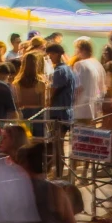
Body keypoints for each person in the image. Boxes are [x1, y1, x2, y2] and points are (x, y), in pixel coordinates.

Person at [44, 42, 72, 177]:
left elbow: (53, 90)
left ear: (56, 54)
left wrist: (47, 102)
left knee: (57, 145)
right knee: (58, 144)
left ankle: (59, 173)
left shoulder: (60, 71)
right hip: (65, 111)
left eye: (50, 54)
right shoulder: (67, 69)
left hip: (59, 112)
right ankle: (58, 172)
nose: (49, 57)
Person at [70, 39, 105, 126]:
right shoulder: (98, 64)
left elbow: (78, 88)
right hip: (94, 108)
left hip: (80, 107)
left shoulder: (80, 65)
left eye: (76, 49)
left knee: (79, 135)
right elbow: (102, 89)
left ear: (81, 50)